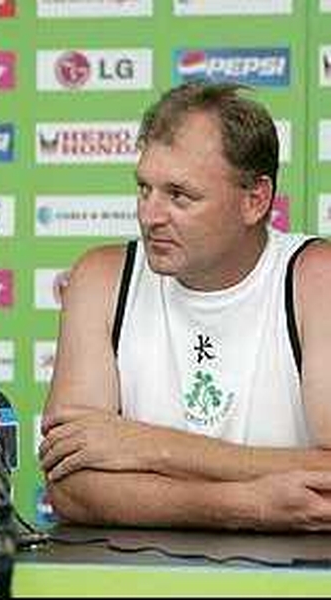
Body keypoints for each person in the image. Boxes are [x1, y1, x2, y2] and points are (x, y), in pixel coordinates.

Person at [39, 81, 331, 532]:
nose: (150, 215)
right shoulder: (100, 280)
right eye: (144, 189)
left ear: (255, 200)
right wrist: (247, 504)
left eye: (179, 196)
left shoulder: (315, 279)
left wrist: (148, 447)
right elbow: (70, 485)